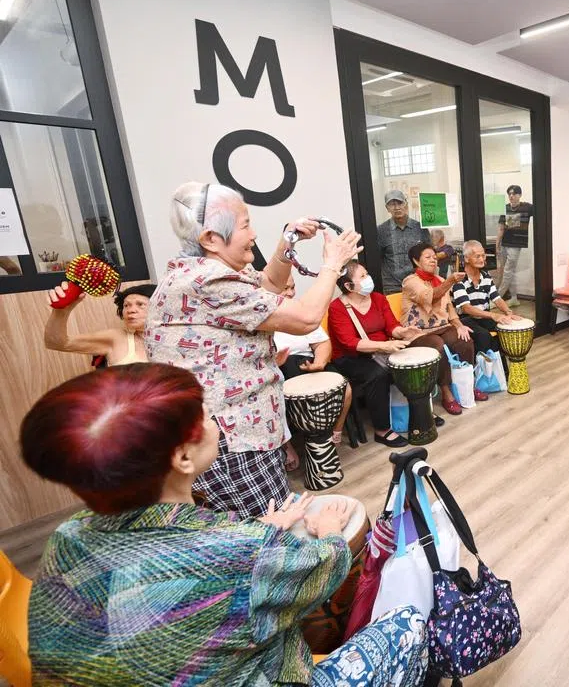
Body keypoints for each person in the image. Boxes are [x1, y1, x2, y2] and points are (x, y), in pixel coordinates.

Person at [21, 364, 427, 687]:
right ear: (182, 458)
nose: (215, 421)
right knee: (409, 622)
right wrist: (330, 532)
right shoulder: (242, 552)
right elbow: (327, 566)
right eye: (204, 415)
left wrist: (259, 530)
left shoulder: (67, 536)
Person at [145, 181, 361, 519]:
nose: (253, 234)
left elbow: (271, 284)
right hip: (231, 441)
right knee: (267, 530)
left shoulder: (209, 271)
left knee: (274, 518)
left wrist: (288, 241)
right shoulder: (208, 282)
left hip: (243, 432)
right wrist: (333, 265)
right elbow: (306, 318)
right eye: (245, 225)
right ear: (211, 239)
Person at [326, 260, 426, 447]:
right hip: (351, 357)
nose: (368, 279)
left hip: (381, 350)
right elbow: (349, 342)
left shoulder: (378, 298)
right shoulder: (337, 308)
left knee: (410, 364)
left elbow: (391, 326)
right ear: (349, 286)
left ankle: (419, 413)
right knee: (377, 374)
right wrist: (384, 346)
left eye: (367, 274)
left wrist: (403, 332)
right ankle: (382, 430)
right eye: (362, 276)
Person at [402, 242, 484, 416]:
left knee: (464, 339)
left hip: (442, 326)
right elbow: (431, 297)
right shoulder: (410, 282)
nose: (433, 260)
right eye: (428, 257)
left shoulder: (439, 280)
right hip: (418, 332)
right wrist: (451, 281)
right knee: (437, 345)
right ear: (416, 261)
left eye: (434, 257)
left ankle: (468, 385)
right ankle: (446, 391)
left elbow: (449, 309)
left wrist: (460, 325)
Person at [273, 275, 351, 455]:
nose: (290, 293)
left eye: (292, 287)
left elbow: (322, 343)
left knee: (345, 388)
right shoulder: (260, 317)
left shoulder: (301, 312)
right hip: (280, 368)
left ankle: (335, 433)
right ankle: (289, 446)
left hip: (308, 362)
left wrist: (319, 362)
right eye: (285, 288)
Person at [43, 282, 155, 366]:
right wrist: (61, 311)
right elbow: (56, 343)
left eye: (140, 304)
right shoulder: (117, 338)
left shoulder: (167, 341)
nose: (131, 310)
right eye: (126, 305)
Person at [451, 239, 519, 354]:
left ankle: (500, 364)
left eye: (483, 255)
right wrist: (493, 315)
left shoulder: (486, 276)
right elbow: (466, 308)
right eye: (477, 256)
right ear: (466, 258)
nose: (482, 259)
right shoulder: (459, 280)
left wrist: (508, 312)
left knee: (506, 329)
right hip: (466, 319)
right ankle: (483, 364)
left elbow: (496, 298)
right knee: (483, 336)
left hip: (484, 317)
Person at [376, 189, 430, 294]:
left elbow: (428, 255)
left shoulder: (420, 228)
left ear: (406, 204)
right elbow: (378, 259)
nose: (397, 207)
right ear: (387, 208)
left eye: (400, 203)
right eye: (392, 204)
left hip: (418, 283)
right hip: (391, 286)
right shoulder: (381, 231)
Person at [496, 184, 534, 307]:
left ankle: (497, 298)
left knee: (508, 271)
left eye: (514, 193)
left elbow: (542, 210)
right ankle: (514, 298)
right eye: (509, 194)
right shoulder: (505, 208)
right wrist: (497, 244)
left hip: (516, 245)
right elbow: (501, 228)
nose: (511, 196)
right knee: (507, 271)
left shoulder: (527, 207)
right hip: (504, 243)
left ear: (519, 195)